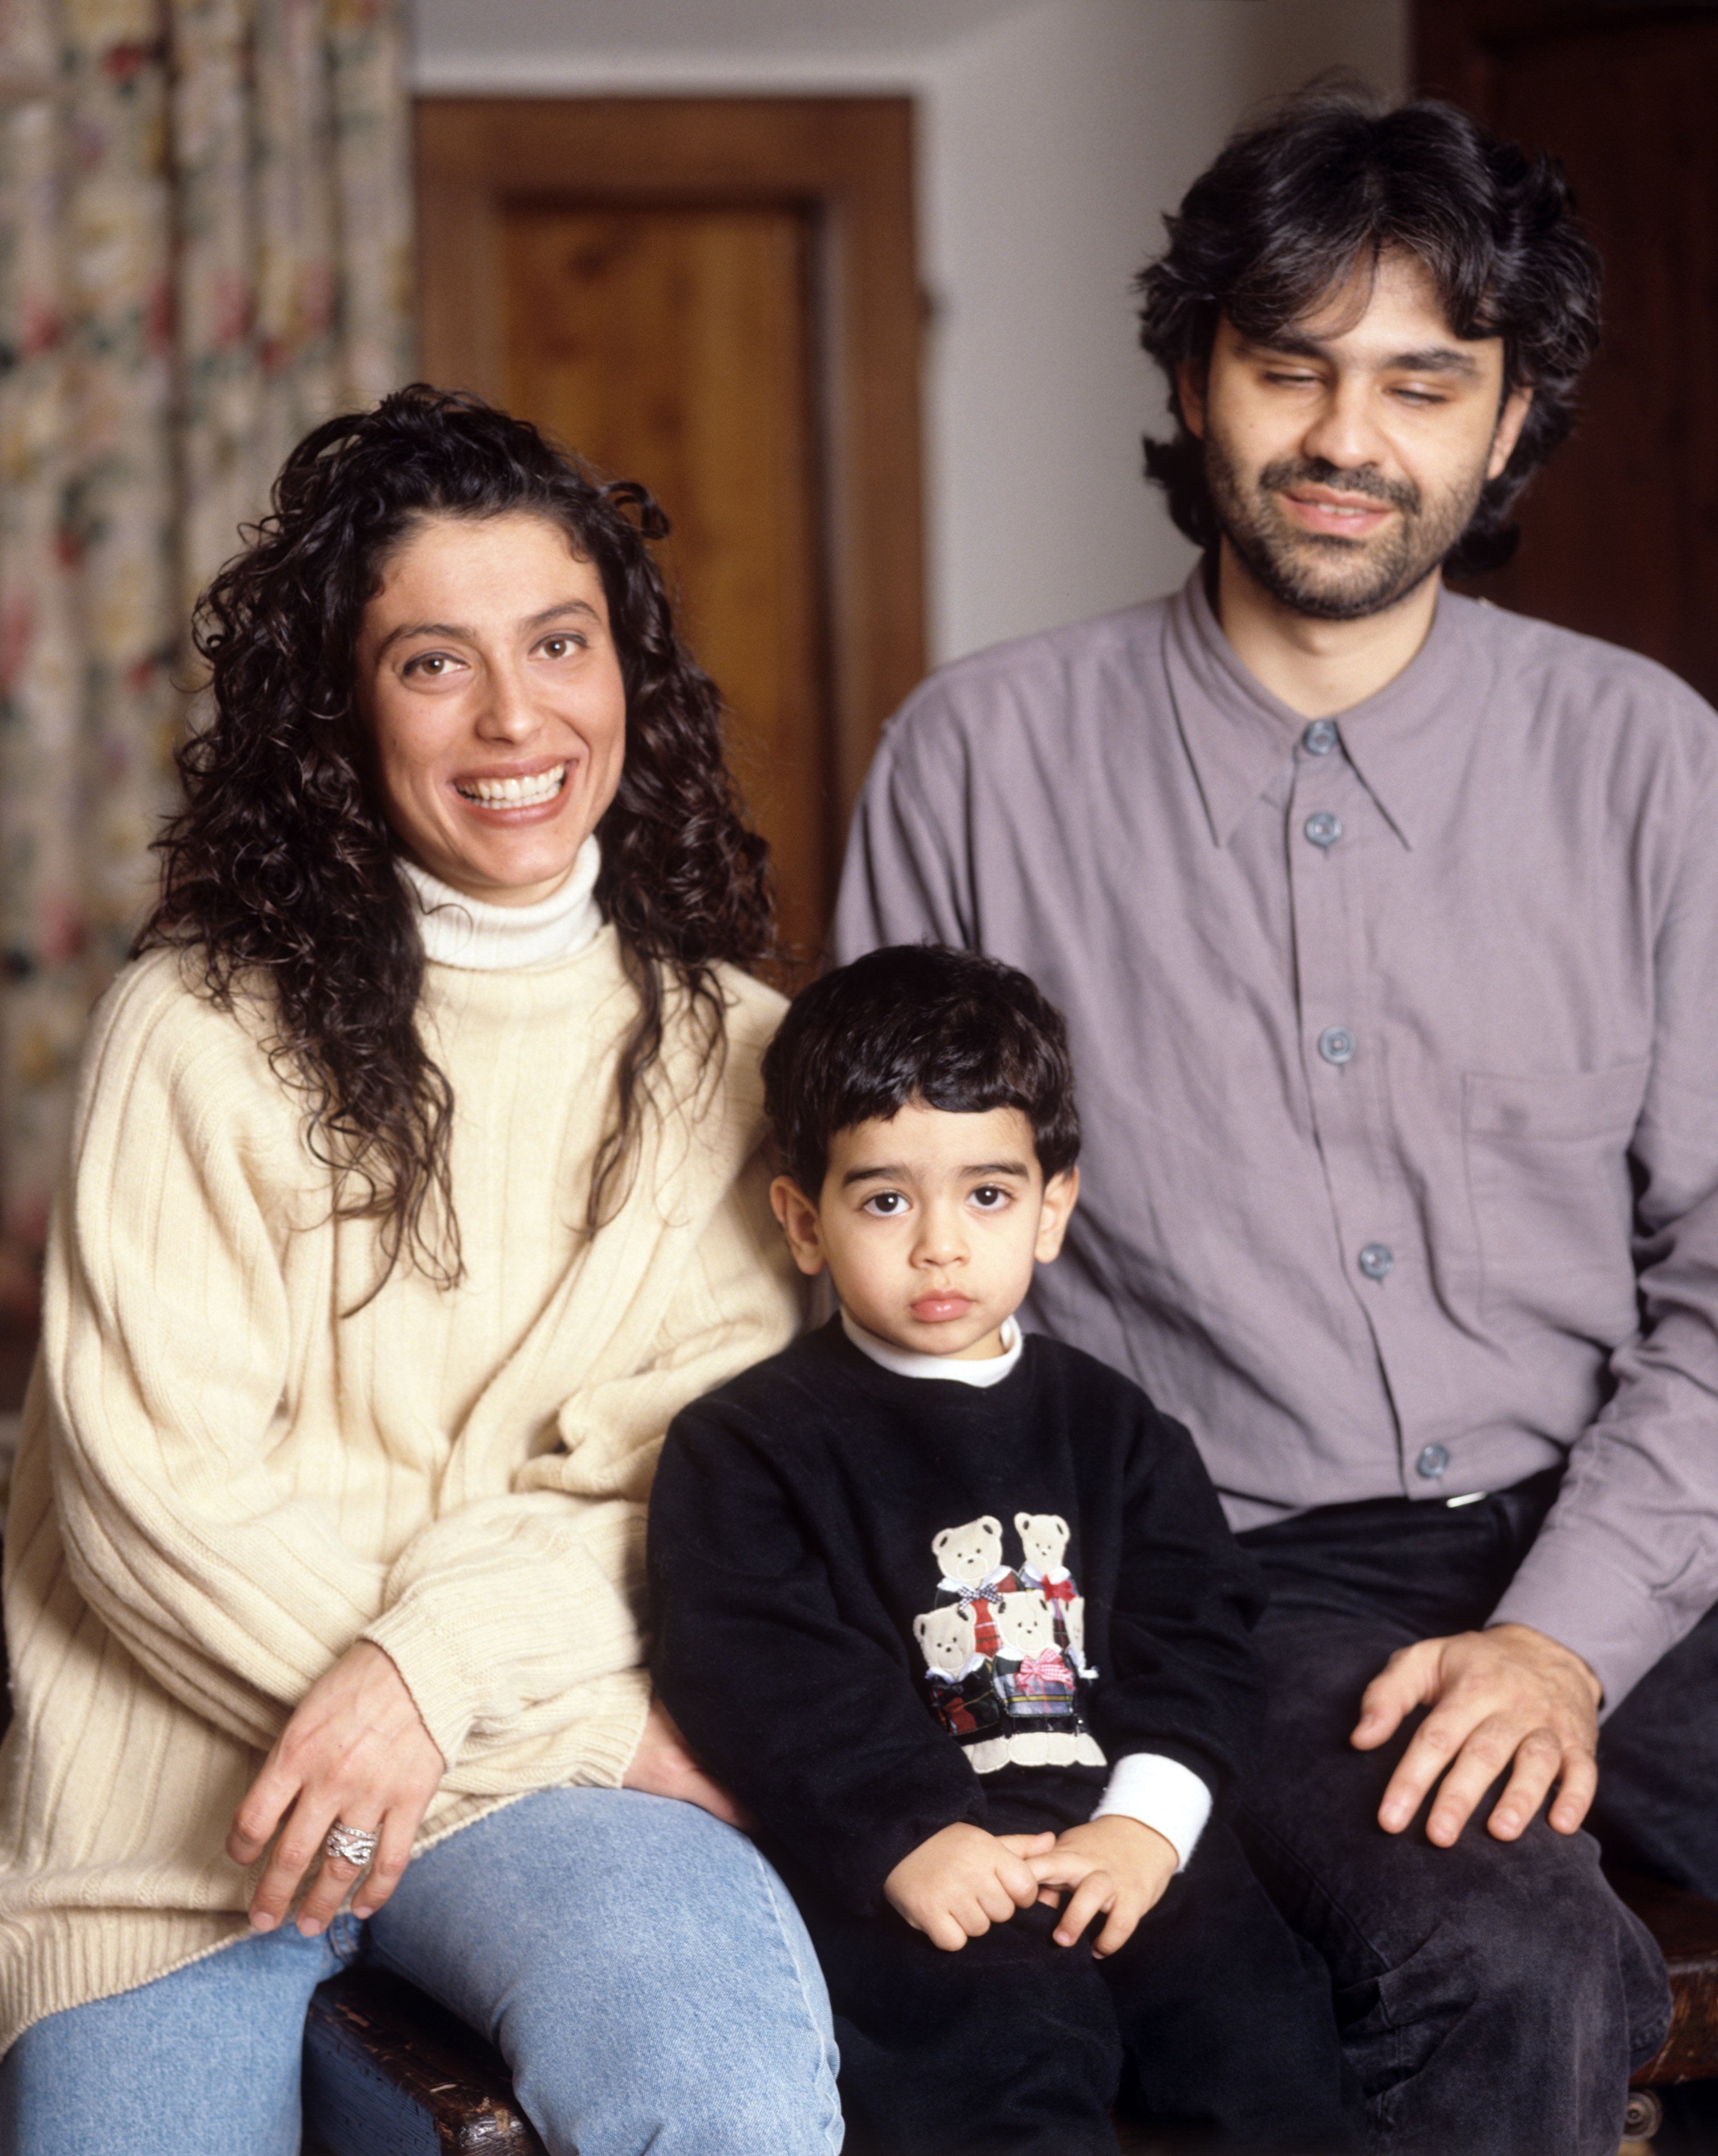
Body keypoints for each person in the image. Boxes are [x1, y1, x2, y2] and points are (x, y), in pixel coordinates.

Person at [831, 86, 1718, 2156]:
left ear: (1503, 426)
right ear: (1190, 380)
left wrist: (1557, 1642)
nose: (1345, 439)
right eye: (1286, 366)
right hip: (1232, 1587)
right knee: (1513, 1960)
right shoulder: (976, 763)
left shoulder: (1646, 765)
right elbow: (909, 1309)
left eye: (1423, 382)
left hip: (1636, 1528)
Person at [0, 386, 842, 2156]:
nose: (515, 715)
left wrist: (429, 1676)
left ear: (630, 675)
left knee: (723, 2092)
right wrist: (523, 1718)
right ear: (340, 711)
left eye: (558, 642)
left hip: (541, 1790)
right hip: (169, 1825)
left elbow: (676, 1483)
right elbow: (154, 1499)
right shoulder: (196, 1028)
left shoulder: (746, 1062)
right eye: (433, 664)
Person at [648, 944, 1360, 2155]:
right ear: (799, 1219)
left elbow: (1195, 1636)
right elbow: (759, 1671)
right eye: (882, 1198)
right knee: (1000, 2070)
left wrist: (1145, 1823)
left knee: (1267, 2046)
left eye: (985, 1194)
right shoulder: (749, 1444)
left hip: (1119, 1841)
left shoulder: (1115, 1428)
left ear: (1052, 1206)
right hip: (926, 1869)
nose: (937, 1245)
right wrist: (905, 1836)